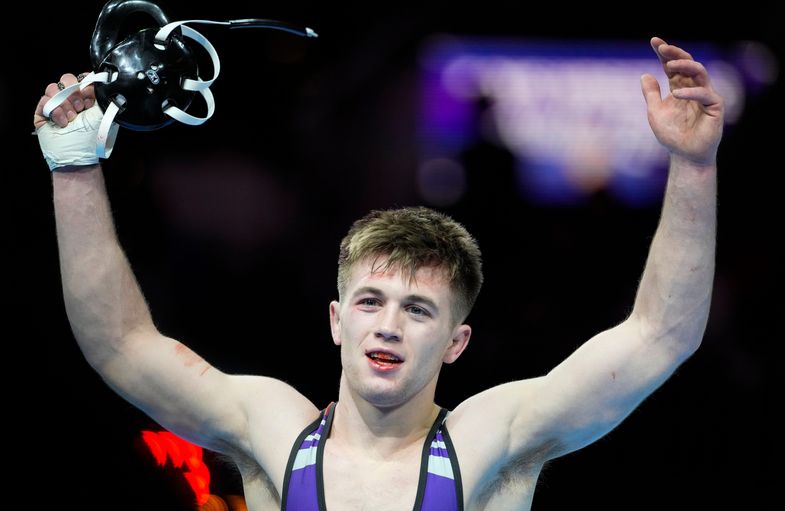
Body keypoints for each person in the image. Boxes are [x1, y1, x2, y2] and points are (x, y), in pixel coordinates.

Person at [34, 36, 723, 510]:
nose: (388, 325)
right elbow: (120, 342)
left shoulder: (496, 438)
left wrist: (693, 167)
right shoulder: (270, 428)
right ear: (337, 319)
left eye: (419, 309)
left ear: (457, 341)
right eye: (370, 300)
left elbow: (662, 334)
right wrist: (72, 168)